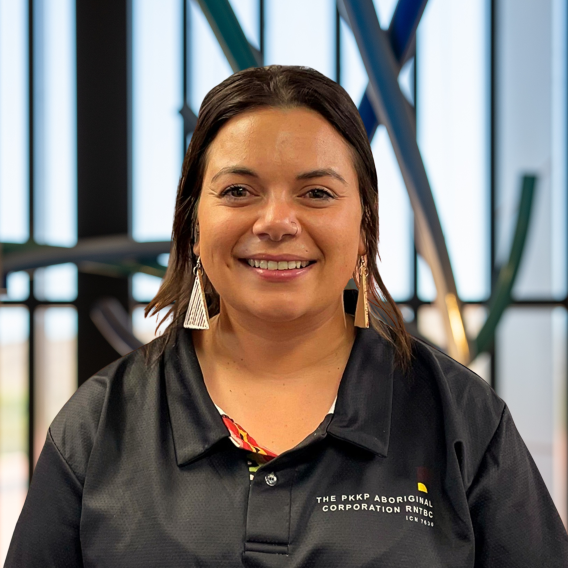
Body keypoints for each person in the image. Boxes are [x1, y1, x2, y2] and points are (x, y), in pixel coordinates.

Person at [5, 65, 568, 567]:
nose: (276, 222)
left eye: (317, 193)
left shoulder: (463, 419)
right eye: (238, 190)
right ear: (194, 225)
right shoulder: (99, 425)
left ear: (365, 227)